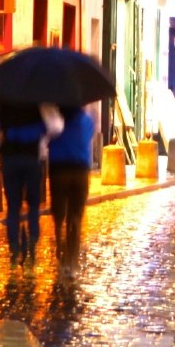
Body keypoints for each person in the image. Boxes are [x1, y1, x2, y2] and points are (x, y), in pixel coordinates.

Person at [0, 97, 63, 260]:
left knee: (13, 206)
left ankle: (14, 248)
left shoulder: (0, 102)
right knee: (33, 206)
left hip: (10, 158)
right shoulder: (40, 101)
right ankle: (32, 244)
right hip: (32, 158)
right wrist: (42, 140)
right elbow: (56, 127)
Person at [45, 102, 98, 266]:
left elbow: (47, 140)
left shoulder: (55, 121)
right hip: (80, 171)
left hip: (59, 170)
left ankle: (59, 240)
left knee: (59, 211)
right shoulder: (86, 120)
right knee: (76, 215)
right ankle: (72, 257)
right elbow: (90, 136)